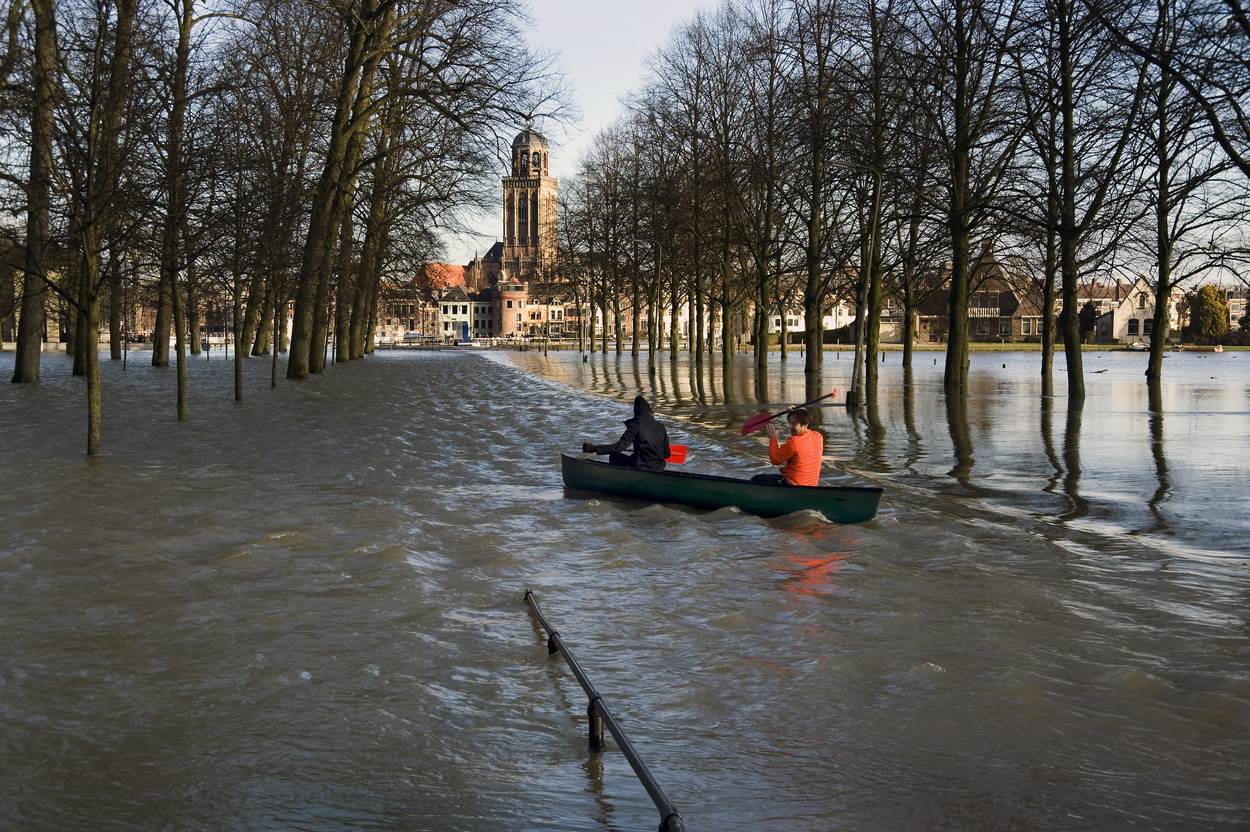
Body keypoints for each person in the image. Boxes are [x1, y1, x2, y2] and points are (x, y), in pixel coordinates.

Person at [582, 395, 670, 471]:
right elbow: (667, 454)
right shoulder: (661, 427)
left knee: (614, 456)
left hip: (641, 467)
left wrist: (594, 449)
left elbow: (618, 448)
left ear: (636, 413)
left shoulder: (635, 425)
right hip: (658, 468)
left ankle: (619, 481)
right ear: (649, 412)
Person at [752, 407, 823, 486]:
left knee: (757, 478)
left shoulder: (794, 442)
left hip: (793, 485)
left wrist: (773, 438)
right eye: (790, 423)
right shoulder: (818, 436)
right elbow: (805, 432)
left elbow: (775, 460)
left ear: (805, 424)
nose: (790, 426)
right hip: (812, 484)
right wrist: (792, 414)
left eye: (794, 423)